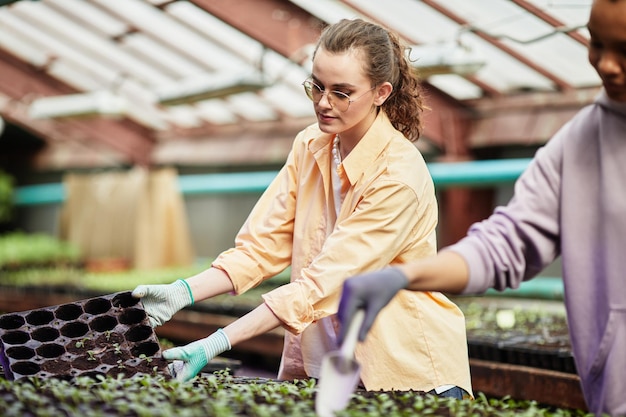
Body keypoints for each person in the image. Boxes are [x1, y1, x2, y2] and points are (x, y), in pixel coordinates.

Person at [132, 18, 473, 397]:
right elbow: (262, 246)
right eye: (317, 86)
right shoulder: (312, 146)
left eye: (342, 92)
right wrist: (181, 291)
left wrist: (214, 343)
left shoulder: (398, 176)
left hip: (406, 373)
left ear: (381, 92)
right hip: (328, 364)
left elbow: (324, 283)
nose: (324, 103)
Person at [337, 1, 626, 415]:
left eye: (625, 50)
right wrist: (403, 275)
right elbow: (503, 245)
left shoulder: (398, 169)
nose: (609, 66)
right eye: (597, 44)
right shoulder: (581, 143)